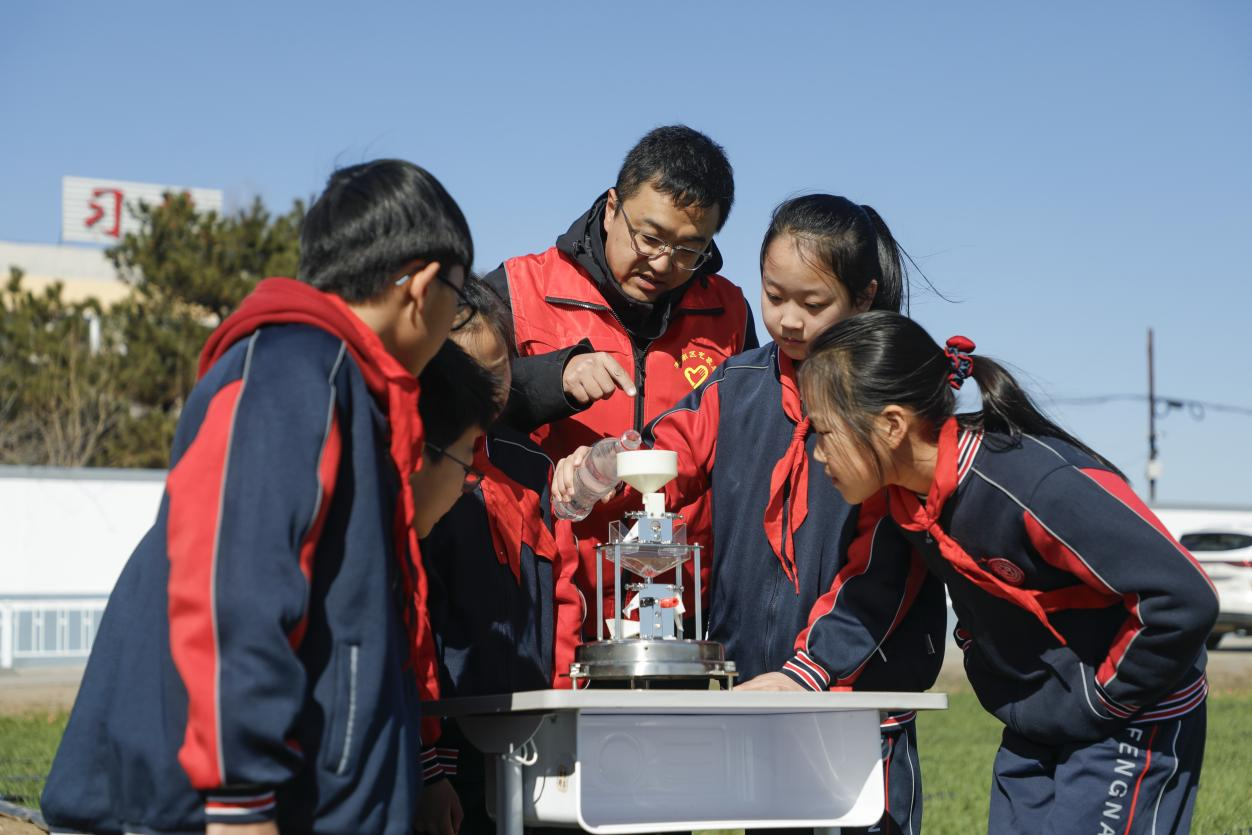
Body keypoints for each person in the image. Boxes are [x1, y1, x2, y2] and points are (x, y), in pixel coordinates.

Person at [41, 159, 482, 835]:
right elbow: (233, 588)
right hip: (236, 815)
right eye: (461, 293)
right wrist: (240, 800)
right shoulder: (292, 372)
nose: (457, 314)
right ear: (423, 286)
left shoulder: (345, 387)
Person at [565, 195, 946, 834]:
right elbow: (665, 452)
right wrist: (599, 468)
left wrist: (812, 670)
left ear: (864, 297)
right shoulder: (734, 385)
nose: (787, 320)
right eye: (773, 296)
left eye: (813, 304)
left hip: (853, 707)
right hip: (757, 700)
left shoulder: (888, 408)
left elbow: (882, 569)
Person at [798, 310, 1219, 835]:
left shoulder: (1031, 484)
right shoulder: (908, 503)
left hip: (1130, 718)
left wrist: (1103, 696)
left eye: (823, 431)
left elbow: (1183, 597)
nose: (816, 453)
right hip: (1035, 720)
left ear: (890, 425)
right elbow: (870, 594)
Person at [485, 125, 757, 633]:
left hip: (684, 613)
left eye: (688, 249)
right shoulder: (520, 290)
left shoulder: (731, 312)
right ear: (612, 207)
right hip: (548, 604)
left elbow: (751, 447)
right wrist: (551, 379)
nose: (662, 263)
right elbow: (447, 398)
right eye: (649, 237)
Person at [416, 280, 582, 835]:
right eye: (470, 373)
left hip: (534, 732)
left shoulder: (530, 462)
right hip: (448, 741)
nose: (489, 391)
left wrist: (563, 700)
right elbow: (409, 620)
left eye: (499, 369)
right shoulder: (420, 473)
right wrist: (427, 765)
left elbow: (564, 585)